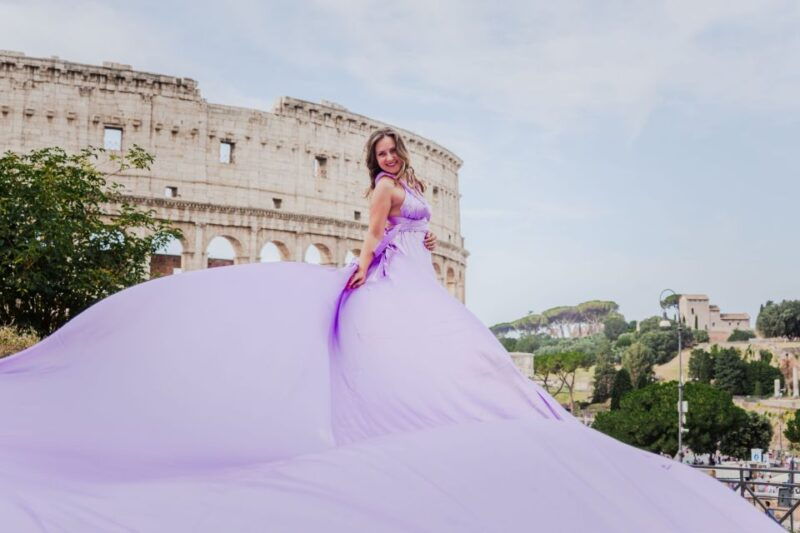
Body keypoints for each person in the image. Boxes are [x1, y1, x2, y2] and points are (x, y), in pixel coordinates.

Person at [0, 128, 782, 532]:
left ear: (403, 154)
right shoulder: (381, 191)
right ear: (372, 162)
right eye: (378, 152)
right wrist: (362, 270)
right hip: (394, 279)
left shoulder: (412, 188)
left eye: (391, 149)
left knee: (456, 357)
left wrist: (426, 242)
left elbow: (415, 229)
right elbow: (371, 238)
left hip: (420, 278)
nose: (387, 157)